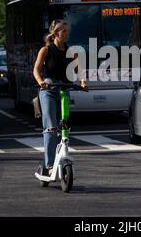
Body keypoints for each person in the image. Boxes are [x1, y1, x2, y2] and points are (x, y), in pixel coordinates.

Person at [33, 19, 87, 176]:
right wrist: (41, 82)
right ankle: (49, 165)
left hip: (64, 88)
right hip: (49, 89)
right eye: (64, 31)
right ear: (55, 33)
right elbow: (36, 70)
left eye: (67, 31)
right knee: (50, 127)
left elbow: (79, 70)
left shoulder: (71, 52)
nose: (66, 34)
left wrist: (83, 81)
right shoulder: (46, 50)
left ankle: (61, 156)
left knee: (63, 125)